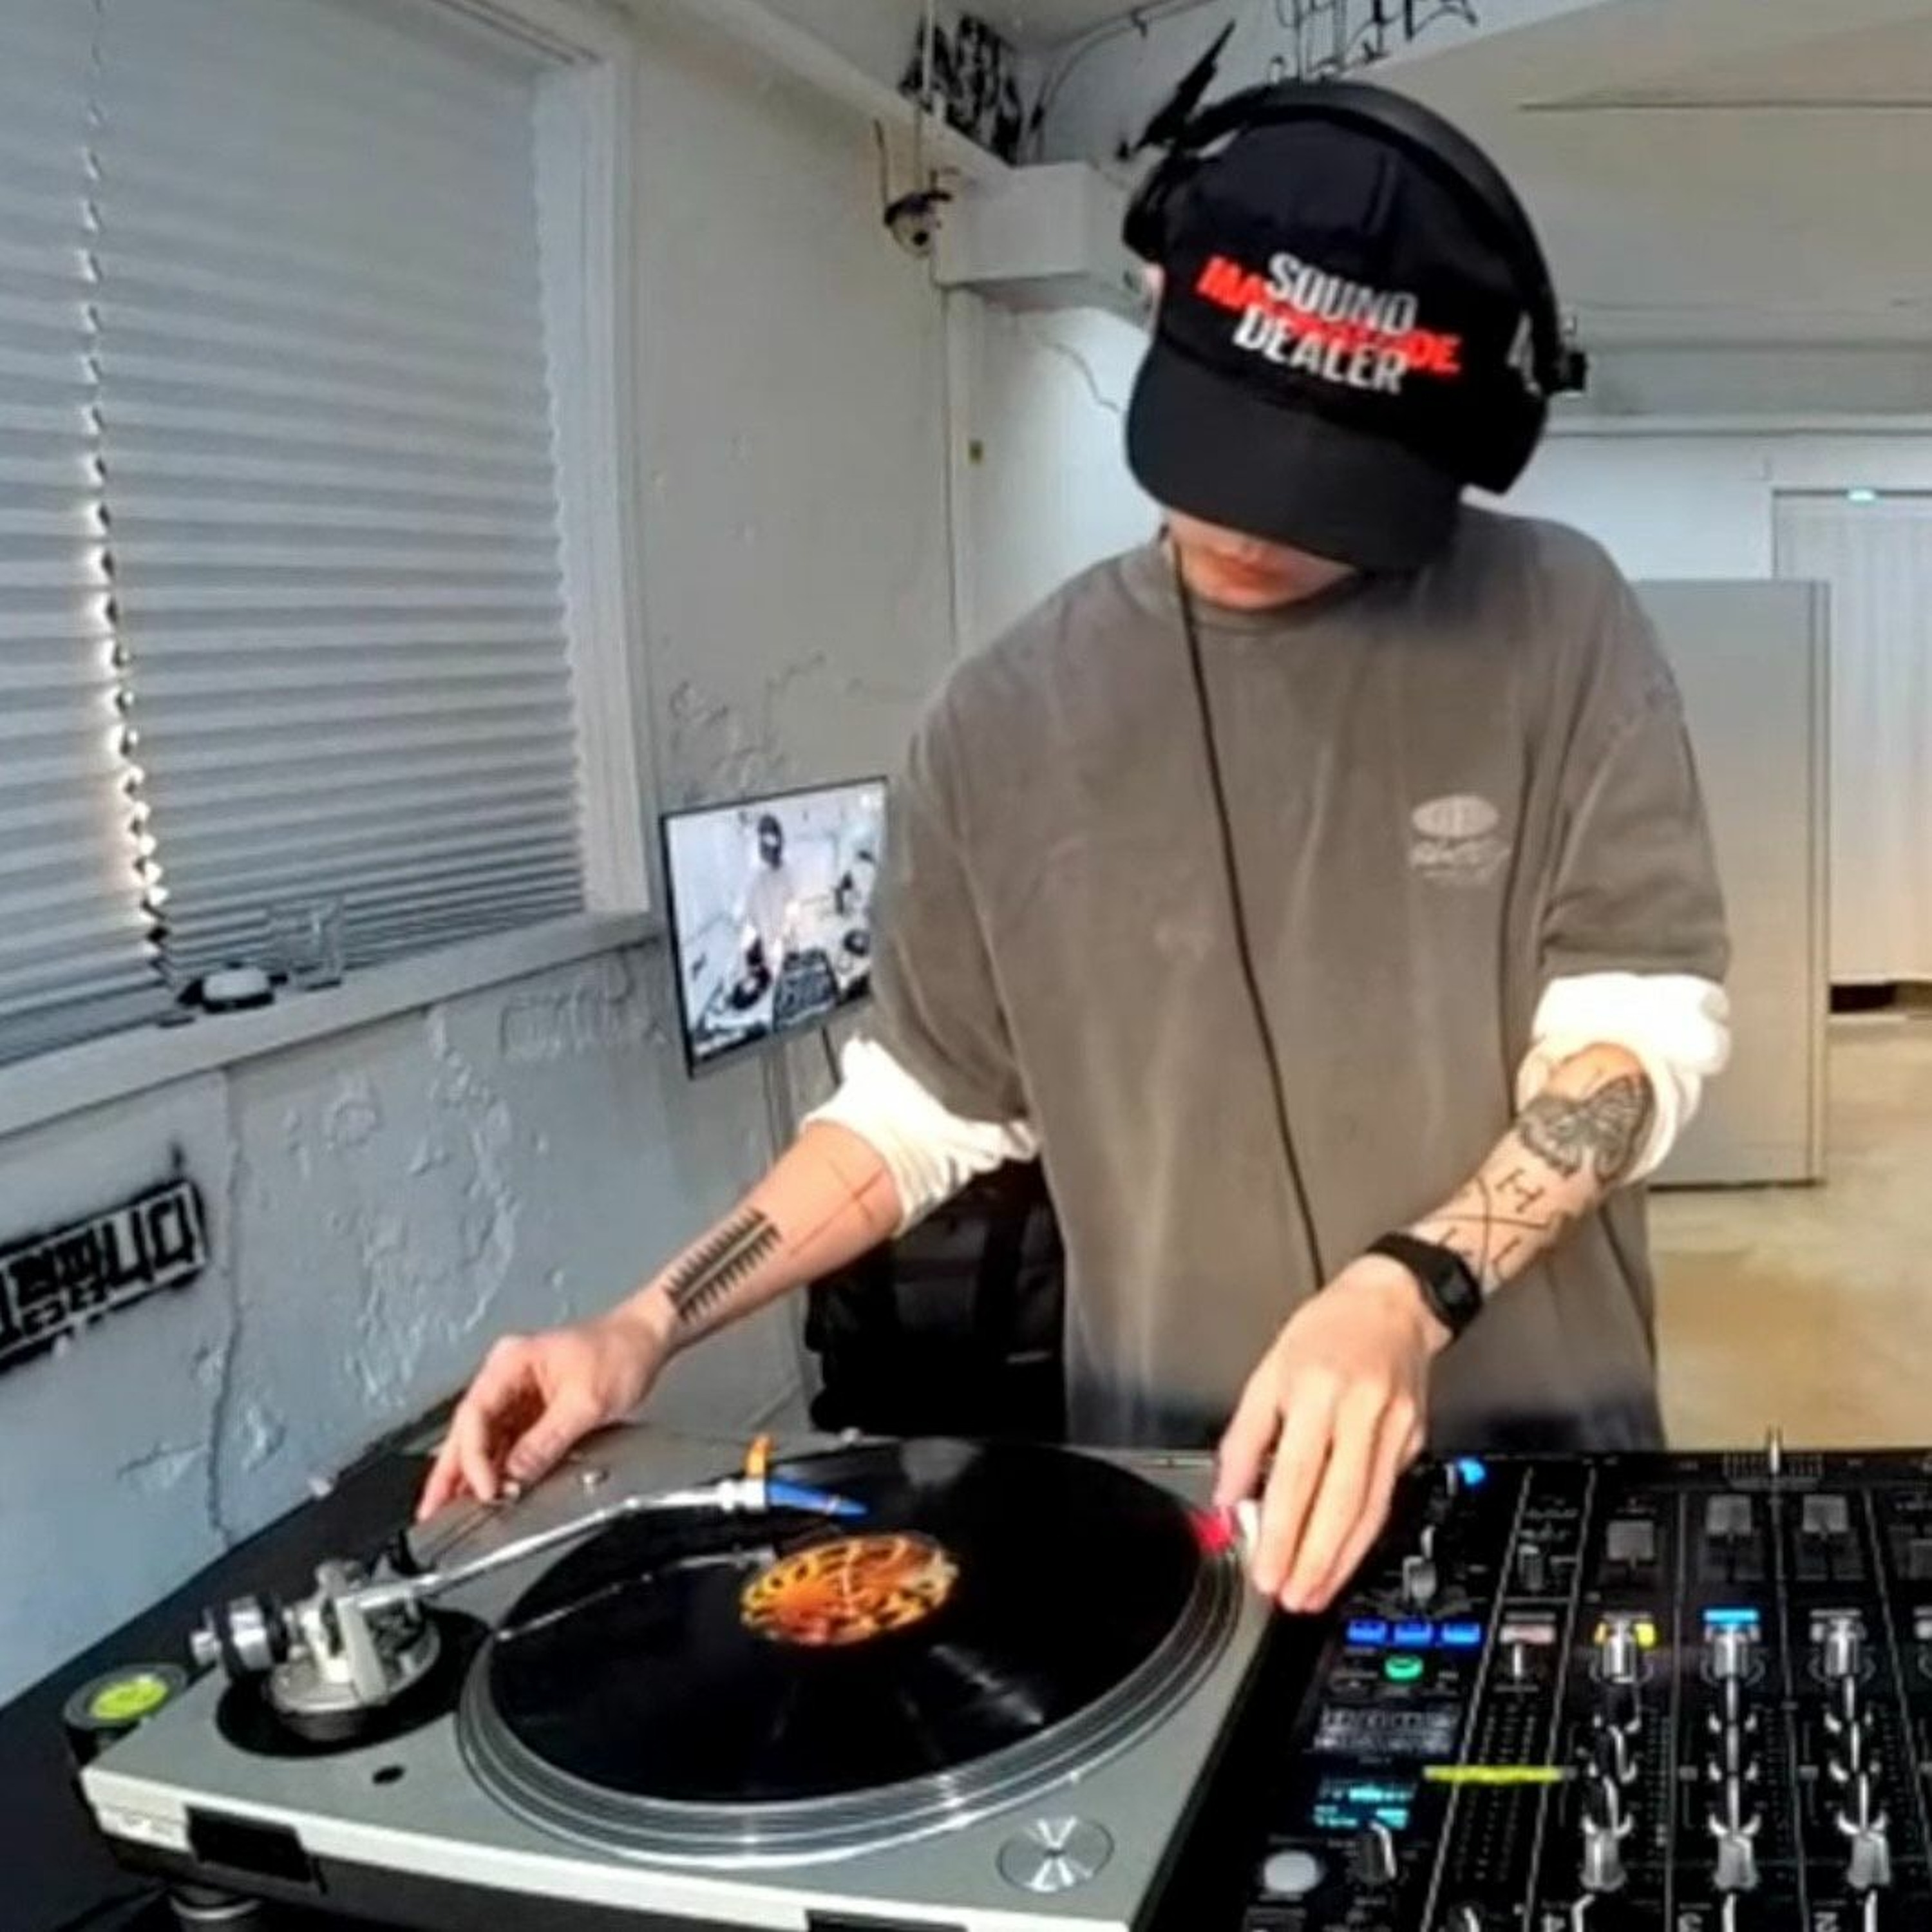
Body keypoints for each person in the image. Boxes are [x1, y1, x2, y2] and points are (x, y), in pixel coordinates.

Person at [421, 84, 1730, 1618]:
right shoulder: (998, 723)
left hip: (1546, 1470)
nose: (1256, 523)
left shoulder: (1559, 622)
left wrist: (1410, 1288)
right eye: (1227, 445)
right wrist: (646, 1319)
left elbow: (1638, 1040)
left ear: (1466, 439)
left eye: (1327, 485)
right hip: (1179, 1498)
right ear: (1160, 302)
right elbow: (920, 1114)